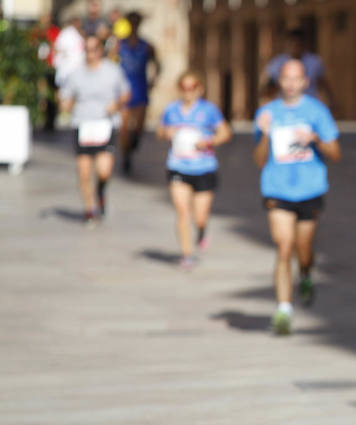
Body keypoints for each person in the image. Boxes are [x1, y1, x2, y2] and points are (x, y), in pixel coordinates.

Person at [253, 59, 341, 334]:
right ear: (279, 81)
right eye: (286, 78)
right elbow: (257, 160)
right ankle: (283, 309)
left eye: (296, 78)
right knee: (283, 246)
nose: (291, 83)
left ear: (305, 81)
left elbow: (335, 154)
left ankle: (304, 273)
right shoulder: (267, 113)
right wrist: (266, 135)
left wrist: (315, 139)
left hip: (309, 189)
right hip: (277, 189)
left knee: (304, 250)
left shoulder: (317, 111)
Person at [157, 70, 232, 269]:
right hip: (178, 166)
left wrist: (209, 142)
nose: (188, 92)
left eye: (192, 88)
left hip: (204, 167)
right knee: (182, 211)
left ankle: (201, 229)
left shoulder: (209, 110)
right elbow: (159, 131)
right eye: (184, 88)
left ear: (200, 89)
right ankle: (186, 253)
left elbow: (225, 133)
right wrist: (167, 132)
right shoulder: (171, 110)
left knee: (200, 215)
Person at [59, 35, 131, 225]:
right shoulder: (76, 74)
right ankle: (89, 209)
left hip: (105, 124)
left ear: (100, 50)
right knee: (84, 171)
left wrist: (116, 105)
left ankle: (100, 191)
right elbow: (66, 95)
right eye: (87, 50)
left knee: (104, 170)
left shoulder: (113, 71)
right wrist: (65, 104)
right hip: (83, 124)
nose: (90, 54)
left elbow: (125, 93)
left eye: (94, 50)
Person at [117, 11, 159, 174]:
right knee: (125, 126)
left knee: (139, 125)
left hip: (140, 86)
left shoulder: (147, 46)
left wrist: (153, 81)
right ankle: (126, 154)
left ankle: (133, 144)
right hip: (124, 88)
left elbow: (157, 64)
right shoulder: (119, 45)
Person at [261, 29, 333, 105]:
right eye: (286, 78)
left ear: (305, 82)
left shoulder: (314, 62)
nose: (295, 46)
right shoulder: (277, 63)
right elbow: (266, 88)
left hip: (308, 107)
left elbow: (324, 84)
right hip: (285, 106)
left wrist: (332, 102)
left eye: (298, 43)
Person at [53, 16, 84, 90]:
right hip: (67, 71)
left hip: (76, 71)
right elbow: (57, 49)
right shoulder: (66, 33)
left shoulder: (78, 34)